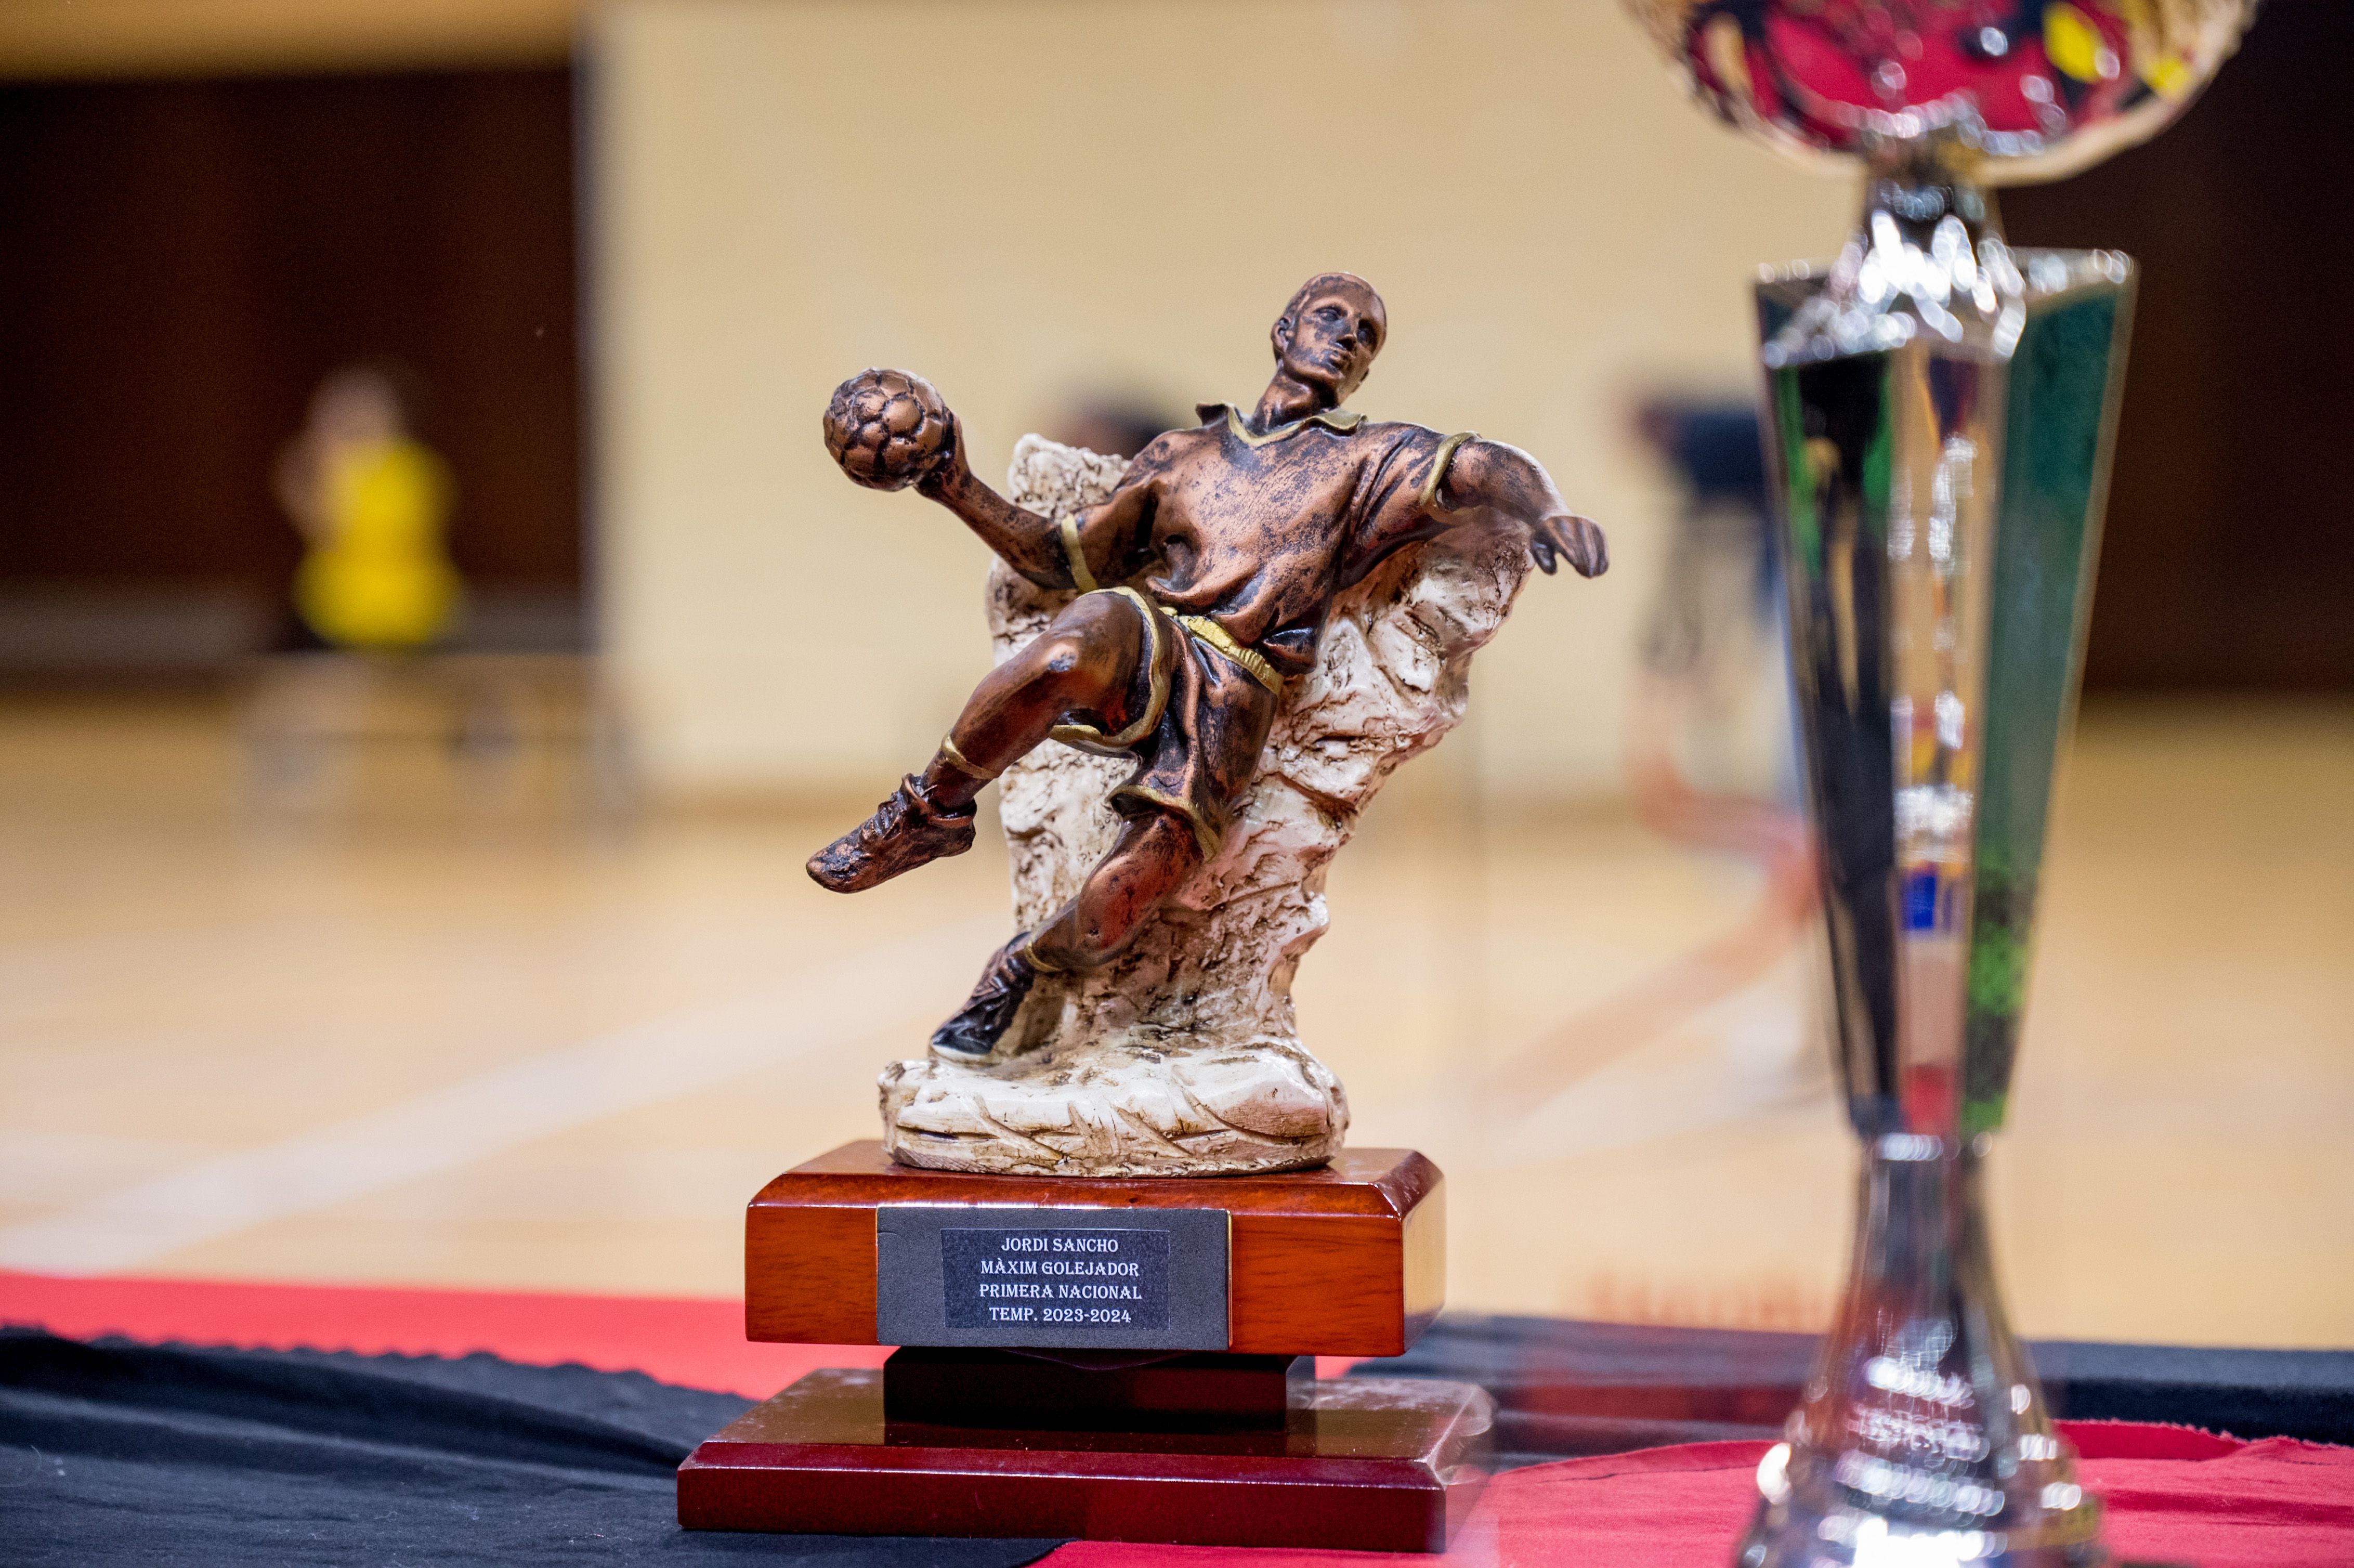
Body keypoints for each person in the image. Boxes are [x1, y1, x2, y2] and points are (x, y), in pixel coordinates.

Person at [810, 272, 1608, 1057]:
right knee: (1068, 645)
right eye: (1330, 317)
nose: (1344, 339)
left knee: (1114, 910)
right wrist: (956, 486)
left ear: (1364, 371)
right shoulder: (1182, 453)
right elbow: (1062, 560)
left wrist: (1550, 510)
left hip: (1236, 691)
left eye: (1364, 338)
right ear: (1285, 329)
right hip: (1152, 628)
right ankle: (924, 817)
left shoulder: (1368, 460)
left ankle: (1022, 965)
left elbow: (1483, 465)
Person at [274, 366, 461, 651]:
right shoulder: (341, 468)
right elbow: (317, 527)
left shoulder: (412, 470)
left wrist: (337, 472)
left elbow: (346, 530)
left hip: (401, 612)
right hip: (336, 608)